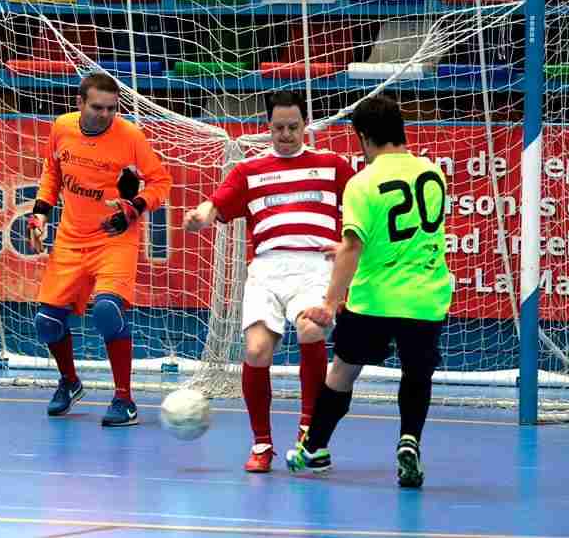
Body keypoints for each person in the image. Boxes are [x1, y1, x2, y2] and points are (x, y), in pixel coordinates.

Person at [285, 94, 452, 488]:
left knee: (343, 372)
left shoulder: (362, 183)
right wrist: (346, 248)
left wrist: (329, 304)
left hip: (374, 298)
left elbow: (355, 246)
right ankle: (409, 440)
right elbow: (407, 235)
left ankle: (314, 448)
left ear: (362, 136)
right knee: (416, 373)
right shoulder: (433, 173)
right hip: (425, 296)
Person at [183, 91, 355, 472]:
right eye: (279, 128)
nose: (286, 135)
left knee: (311, 329)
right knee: (257, 351)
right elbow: (217, 203)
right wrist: (201, 216)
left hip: (315, 266)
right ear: (268, 127)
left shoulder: (332, 165)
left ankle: (309, 430)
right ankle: (261, 443)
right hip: (265, 270)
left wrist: (347, 246)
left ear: (306, 124)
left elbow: (364, 208)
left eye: (293, 127)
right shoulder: (249, 170)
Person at [28, 73, 173, 426]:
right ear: (79, 103)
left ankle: (124, 399)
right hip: (71, 238)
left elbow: (161, 182)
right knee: (46, 322)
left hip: (114, 237)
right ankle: (69, 381)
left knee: (107, 310)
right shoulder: (62, 128)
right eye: (97, 107)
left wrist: (135, 207)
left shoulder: (130, 136)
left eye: (112, 108)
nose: (106, 114)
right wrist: (40, 212)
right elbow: (52, 172)